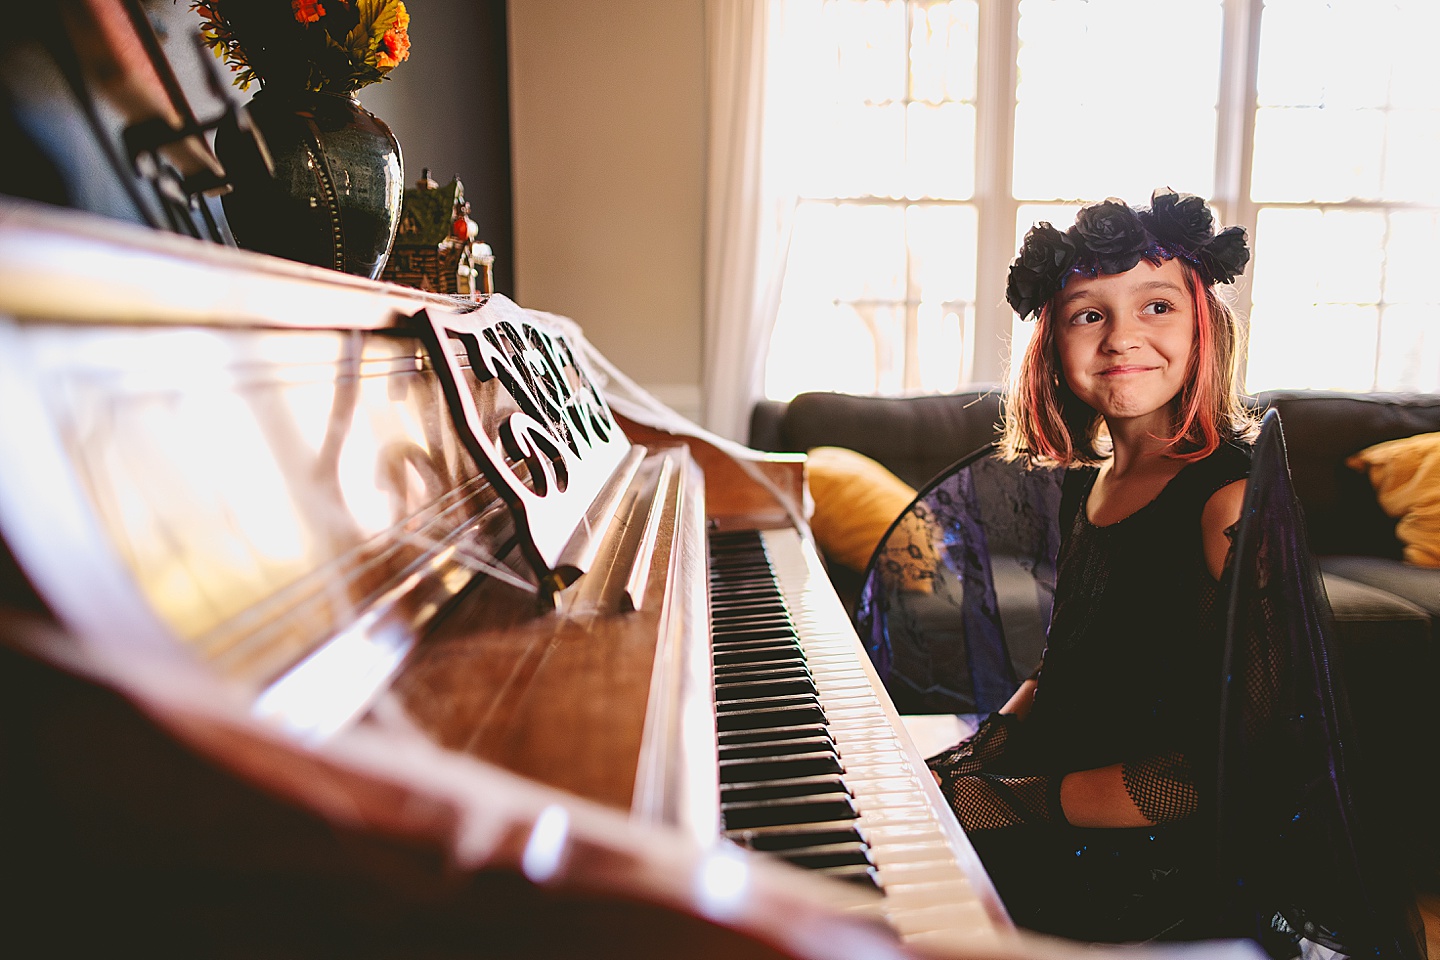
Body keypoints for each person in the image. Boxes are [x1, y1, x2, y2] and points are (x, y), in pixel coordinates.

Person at [926, 189, 1260, 944]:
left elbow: (1230, 769)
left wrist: (1011, 800)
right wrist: (971, 758)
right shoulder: (1091, 478)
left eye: (1156, 308)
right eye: (1088, 313)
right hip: (1066, 798)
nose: (1121, 338)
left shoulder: (1228, 503)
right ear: (1052, 343)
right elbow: (1062, 672)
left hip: (1148, 867)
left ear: (1204, 327)